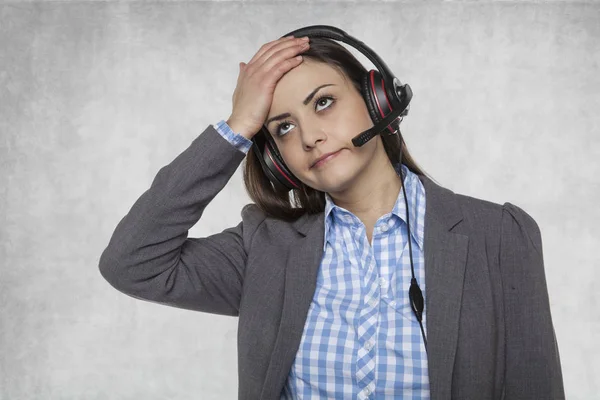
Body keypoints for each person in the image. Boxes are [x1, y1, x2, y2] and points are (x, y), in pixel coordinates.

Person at [99, 30, 565, 400]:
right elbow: (131, 263)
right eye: (283, 127)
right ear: (276, 158)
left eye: (323, 102)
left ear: (378, 100)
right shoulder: (263, 248)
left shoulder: (499, 235)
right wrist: (237, 127)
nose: (310, 137)